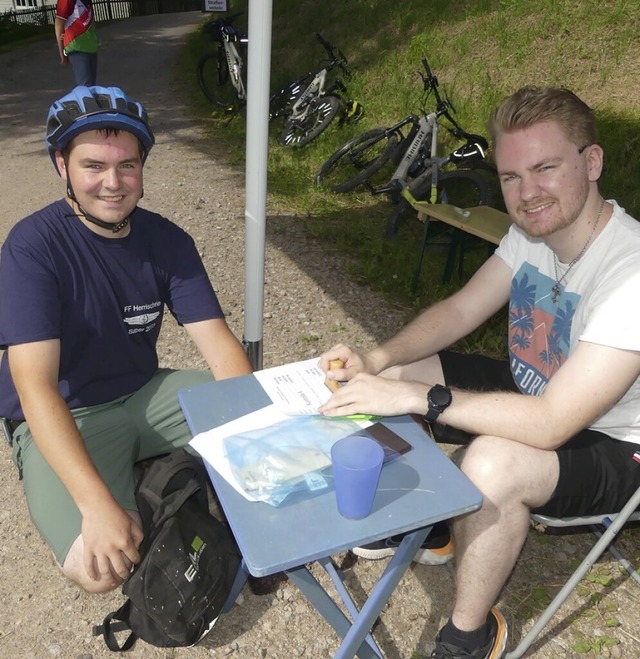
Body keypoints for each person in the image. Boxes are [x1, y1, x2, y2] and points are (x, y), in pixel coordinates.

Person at [318, 86, 640, 659]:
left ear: (591, 163)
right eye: (512, 176)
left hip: (615, 442)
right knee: (402, 369)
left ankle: (468, 635)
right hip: (538, 387)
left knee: (489, 459)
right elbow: (461, 310)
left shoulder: (630, 271)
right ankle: (440, 529)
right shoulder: (535, 232)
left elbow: (551, 424)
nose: (527, 193)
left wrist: (423, 398)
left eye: (545, 168)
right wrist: (378, 362)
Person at [0, 85, 252, 594]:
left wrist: (257, 433)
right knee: (99, 572)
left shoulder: (167, 239)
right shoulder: (32, 247)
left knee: (252, 413)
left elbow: (220, 346)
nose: (113, 183)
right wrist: (96, 507)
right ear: (61, 165)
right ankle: (122, 484)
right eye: (93, 165)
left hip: (144, 391)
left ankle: (151, 478)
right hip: (67, 412)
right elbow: (36, 388)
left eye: (128, 166)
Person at [55, 0, 99, 86]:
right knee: (85, 88)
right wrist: (61, 50)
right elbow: (59, 23)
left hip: (91, 47)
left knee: (92, 88)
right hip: (76, 47)